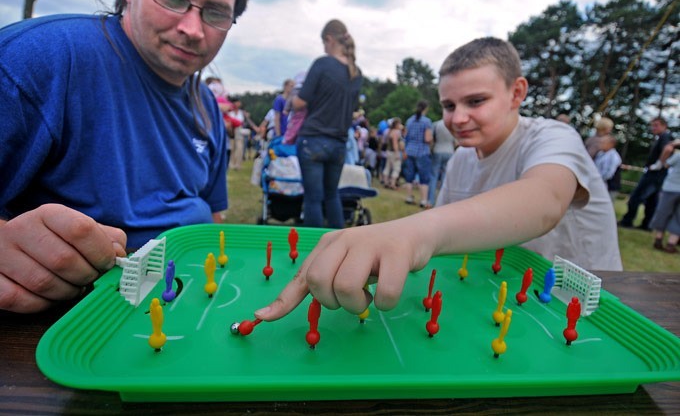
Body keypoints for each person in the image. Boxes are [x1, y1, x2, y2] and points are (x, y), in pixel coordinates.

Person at [254, 37, 622, 324]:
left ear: (517, 93)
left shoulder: (553, 136)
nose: (458, 118)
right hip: (494, 295)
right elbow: (447, 245)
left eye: (476, 101)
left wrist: (414, 231)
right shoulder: (462, 158)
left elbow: (545, 201)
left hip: (579, 306)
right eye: (448, 105)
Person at [0, 0, 251, 314]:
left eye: (216, 12)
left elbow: (212, 216)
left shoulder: (207, 105)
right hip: (77, 329)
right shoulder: (37, 59)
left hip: (191, 308)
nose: (193, 29)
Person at [293, 19, 363, 228]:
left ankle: (311, 248)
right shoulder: (356, 73)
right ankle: (338, 248)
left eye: (324, 43)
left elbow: (300, 102)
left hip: (313, 139)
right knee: (332, 197)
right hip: (339, 144)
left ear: (329, 39)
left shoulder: (322, 64)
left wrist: (290, 98)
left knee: (313, 199)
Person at [619, 117, 673, 230]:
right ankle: (646, 225)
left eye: (656, 125)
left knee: (636, 197)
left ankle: (627, 221)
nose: (653, 128)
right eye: (652, 125)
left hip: (654, 174)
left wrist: (659, 163)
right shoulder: (662, 137)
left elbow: (668, 149)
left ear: (664, 126)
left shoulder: (665, 136)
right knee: (651, 201)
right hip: (659, 175)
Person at [650, 139, 680, 254]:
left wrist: (671, 148)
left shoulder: (678, 155)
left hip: (670, 188)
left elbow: (666, 164)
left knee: (663, 212)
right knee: (679, 218)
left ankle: (658, 239)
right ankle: (671, 244)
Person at [403, 100, 434, 208]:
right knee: (423, 177)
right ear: (426, 109)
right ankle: (423, 200)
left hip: (410, 150)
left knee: (409, 176)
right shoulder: (427, 122)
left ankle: (409, 197)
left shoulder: (409, 121)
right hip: (422, 152)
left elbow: (405, 137)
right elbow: (427, 138)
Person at [428, 118, 456, 206]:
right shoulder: (453, 125)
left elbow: (431, 139)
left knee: (433, 176)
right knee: (445, 177)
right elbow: (455, 142)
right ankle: (442, 201)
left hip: (438, 150)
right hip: (449, 151)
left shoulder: (436, 124)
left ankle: (430, 200)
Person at [593, 134, 622, 201]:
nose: (600, 144)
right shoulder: (600, 153)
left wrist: (598, 181)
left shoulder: (614, 157)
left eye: (603, 142)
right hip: (599, 184)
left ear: (611, 144)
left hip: (610, 187)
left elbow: (609, 173)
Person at [381, 118, 405, 190]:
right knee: (396, 168)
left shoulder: (389, 131)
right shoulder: (396, 132)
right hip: (394, 152)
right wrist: (397, 153)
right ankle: (392, 184)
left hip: (388, 151)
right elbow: (395, 144)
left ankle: (386, 182)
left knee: (387, 167)